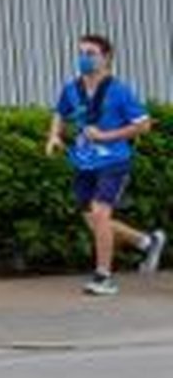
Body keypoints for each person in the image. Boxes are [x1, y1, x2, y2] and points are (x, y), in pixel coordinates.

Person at [49, 32, 164, 297]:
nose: (84, 58)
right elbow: (59, 112)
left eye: (90, 53)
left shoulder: (120, 90)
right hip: (83, 162)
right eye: (81, 53)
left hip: (113, 161)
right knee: (95, 222)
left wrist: (106, 136)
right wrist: (54, 136)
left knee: (101, 214)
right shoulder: (71, 88)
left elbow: (143, 125)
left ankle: (103, 278)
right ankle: (147, 241)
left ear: (106, 57)